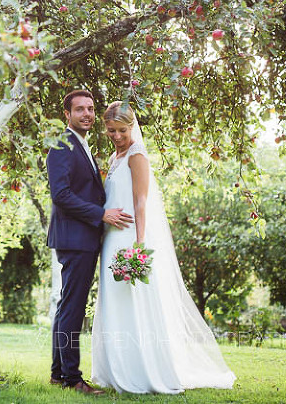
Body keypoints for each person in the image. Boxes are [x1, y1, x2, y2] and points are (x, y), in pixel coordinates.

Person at [91, 101, 236, 394]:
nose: (117, 136)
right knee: (116, 300)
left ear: (132, 127)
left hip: (131, 237)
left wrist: (140, 245)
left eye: (121, 130)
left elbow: (141, 201)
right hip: (111, 239)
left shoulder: (137, 155)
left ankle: (145, 371)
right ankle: (118, 367)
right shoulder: (114, 156)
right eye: (111, 131)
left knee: (135, 301)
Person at [47, 90, 133, 396]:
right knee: (72, 309)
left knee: (67, 307)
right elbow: (61, 195)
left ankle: (59, 374)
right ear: (67, 115)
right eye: (80, 109)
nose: (87, 114)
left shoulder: (82, 146)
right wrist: (102, 214)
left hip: (82, 237)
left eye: (91, 109)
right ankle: (72, 377)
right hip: (75, 237)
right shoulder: (61, 145)